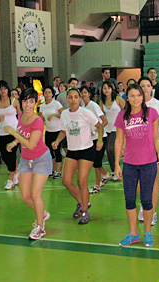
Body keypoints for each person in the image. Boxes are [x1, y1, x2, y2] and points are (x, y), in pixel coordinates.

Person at [115, 84, 159, 247]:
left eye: (139, 95)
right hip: (129, 163)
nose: (136, 99)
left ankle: (148, 232)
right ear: (126, 98)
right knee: (129, 199)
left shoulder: (152, 113)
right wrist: (116, 164)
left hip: (148, 162)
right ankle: (133, 233)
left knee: (146, 199)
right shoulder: (122, 116)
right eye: (132, 96)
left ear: (143, 97)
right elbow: (119, 140)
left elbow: (156, 136)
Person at [4, 88, 52, 240]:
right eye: (25, 101)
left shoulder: (37, 121)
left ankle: (40, 227)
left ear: (36, 103)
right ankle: (42, 213)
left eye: (31, 101)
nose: (28, 105)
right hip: (26, 159)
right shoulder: (20, 116)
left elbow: (31, 144)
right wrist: (14, 142)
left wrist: (13, 134)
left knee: (35, 194)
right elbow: (22, 134)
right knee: (25, 196)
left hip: (41, 159)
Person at [52, 87, 101, 224]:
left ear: (79, 99)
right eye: (70, 97)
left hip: (86, 150)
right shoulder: (65, 115)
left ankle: (85, 211)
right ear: (67, 99)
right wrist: (57, 141)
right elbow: (63, 131)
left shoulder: (85, 113)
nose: (73, 100)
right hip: (72, 151)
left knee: (81, 181)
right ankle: (82, 202)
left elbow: (100, 126)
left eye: (75, 97)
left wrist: (100, 139)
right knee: (66, 181)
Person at [138, 77, 159, 226]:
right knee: (139, 180)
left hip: (155, 145)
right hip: (138, 146)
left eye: (147, 86)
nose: (145, 88)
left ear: (152, 87)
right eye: (142, 86)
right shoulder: (134, 104)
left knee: (153, 179)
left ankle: (152, 211)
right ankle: (144, 206)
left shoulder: (158, 105)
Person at [0, 80, 22, 190]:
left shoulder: (14, 101)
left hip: (14, 132)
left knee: (11, 154)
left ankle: (10, 179)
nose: (3, 91)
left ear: (8, 89)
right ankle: (16, 171)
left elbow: (21, 115)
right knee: (4, 156)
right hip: (2, 133)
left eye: (5, 88)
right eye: (0, 89)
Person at [80, 86, 108, 194]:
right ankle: (105, 174)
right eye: (82, 93)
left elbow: (104, 121)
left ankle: (97, 185)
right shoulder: (82, 106)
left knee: (96, 162)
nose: (83, 94)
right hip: (90, 139)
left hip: (100, 138)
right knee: (93, 162)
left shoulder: (93, 106)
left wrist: (96, 132)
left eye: (85, 92)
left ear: (89, 94)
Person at [100, 81, 125, 181]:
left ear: (112, 89)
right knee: (108, 150)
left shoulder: (118, 99)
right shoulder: (102, 102)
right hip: (107, 129)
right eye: (105, 88)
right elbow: (100, 115)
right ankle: (114, 171)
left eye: (108, 88)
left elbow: (126, 110)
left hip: (117, 128)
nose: (107, 90)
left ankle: (117, 170)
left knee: (112, 148)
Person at [39, 86, 64, 179]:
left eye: (49, 92)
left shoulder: (56, 104)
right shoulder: (42, 106)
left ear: (52, 94)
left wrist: (54, 115)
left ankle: (58, 171)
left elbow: (63, 114)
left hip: (57, 130)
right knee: (49, 151)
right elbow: (41, 118)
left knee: (57, 150)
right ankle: (52, 170)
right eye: (46, 92)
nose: (47, 94)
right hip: (48, 131)